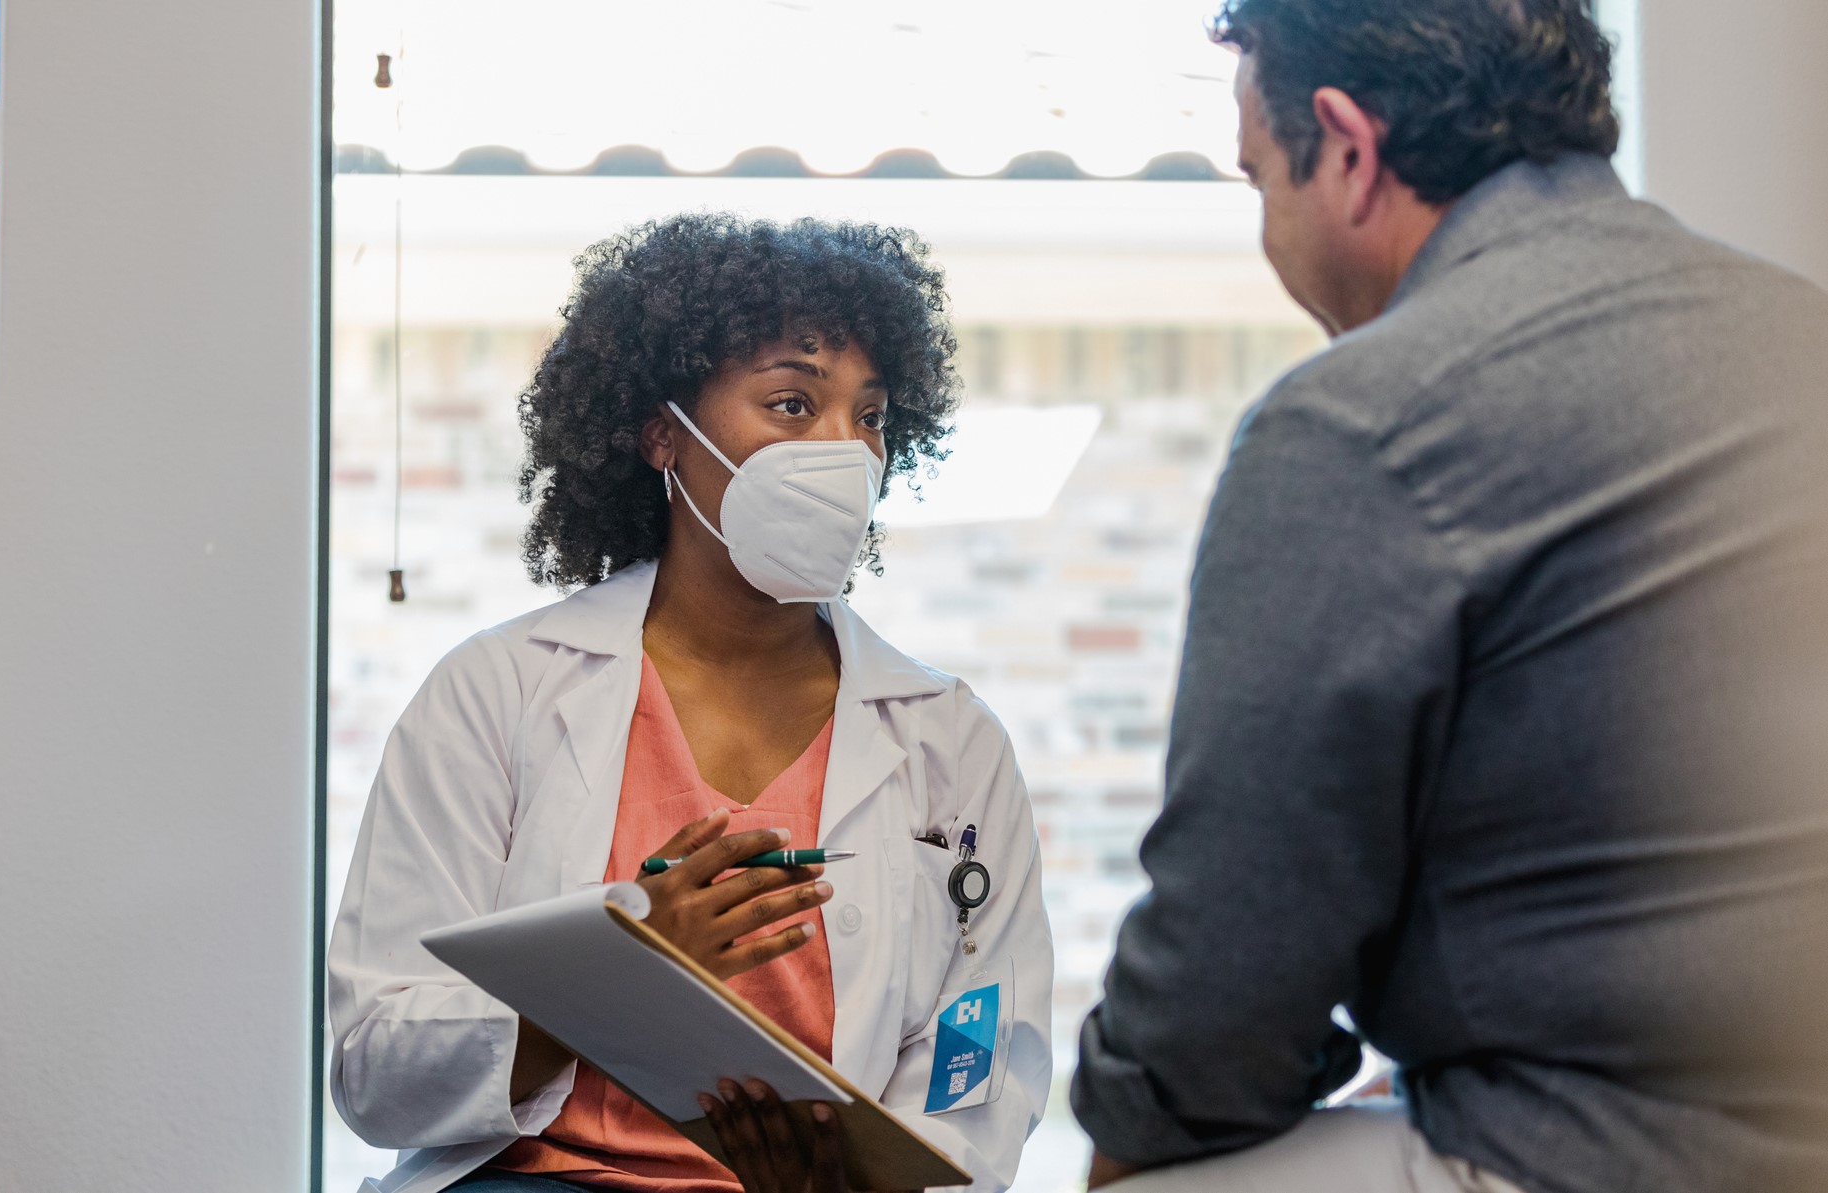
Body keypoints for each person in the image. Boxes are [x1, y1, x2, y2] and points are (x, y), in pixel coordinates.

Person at [1070, 2, 1828, 1192]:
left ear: (1347, 147)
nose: (1269, 229)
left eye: (1263, 180)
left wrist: (1127, 1154)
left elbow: (1224, 982)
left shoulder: (1366, 419)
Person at [329, 214, 1054, 1193]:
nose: (847, 450)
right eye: (793, 404)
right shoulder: (498, 692)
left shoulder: (948, 740)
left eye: (870, 414)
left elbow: (985, 1058)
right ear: (663, 428)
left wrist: (862, 1180)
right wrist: (615, 971)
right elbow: (375, 1069)